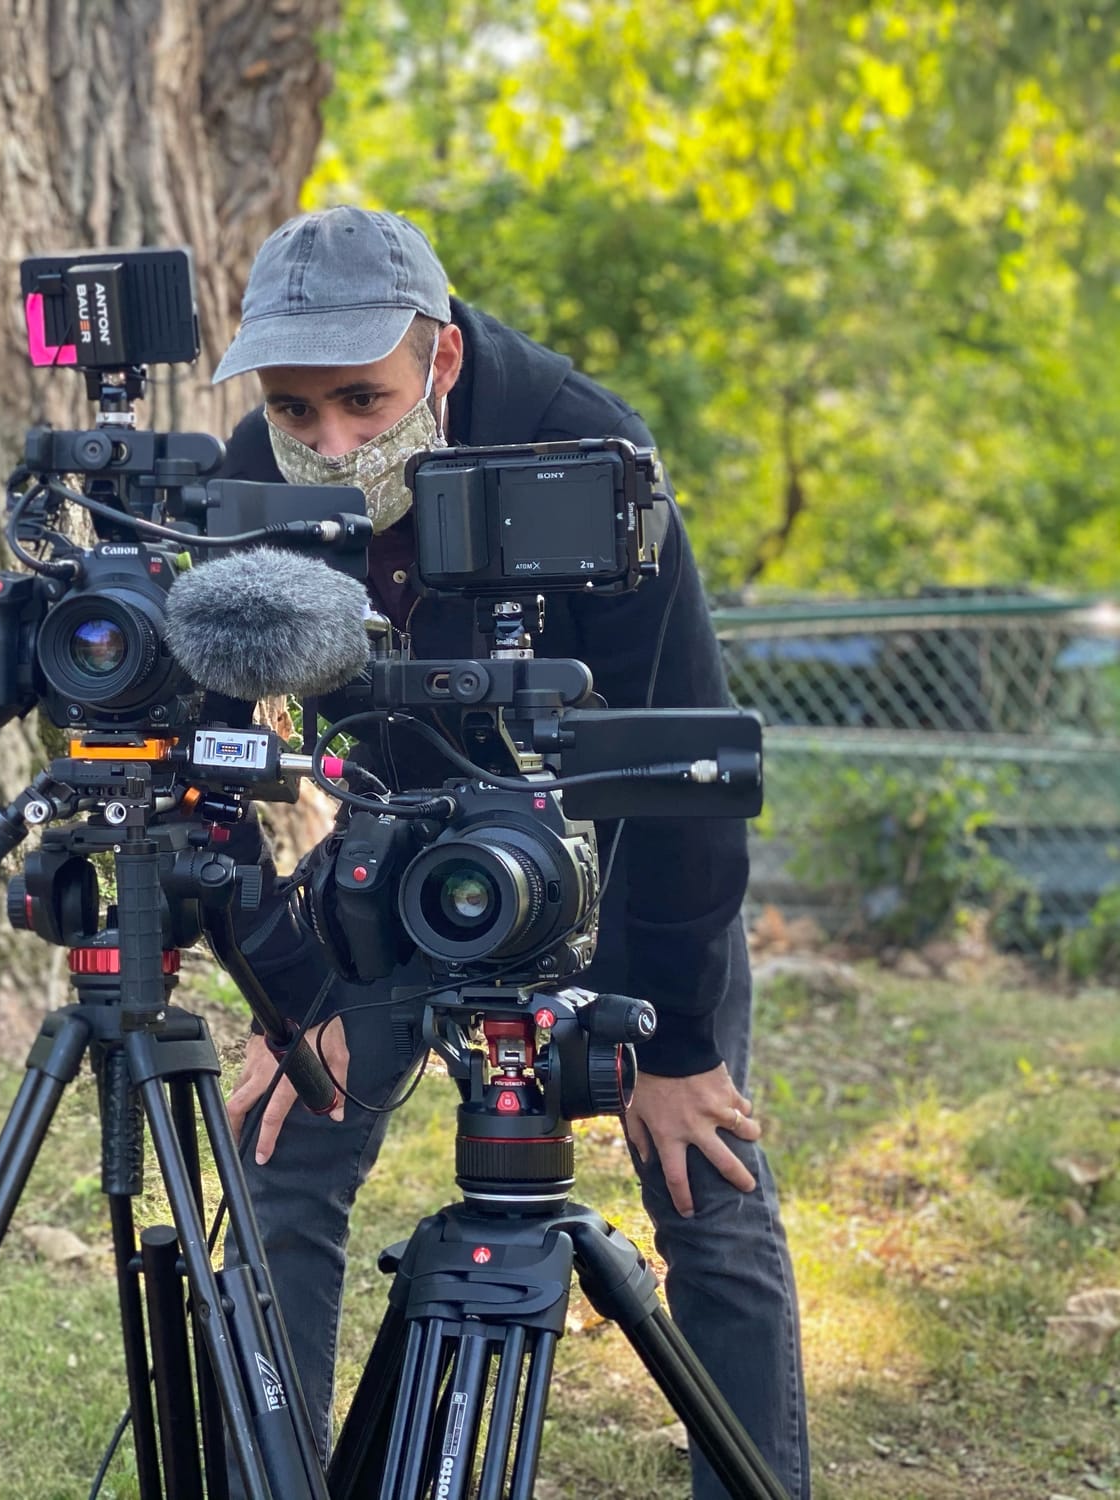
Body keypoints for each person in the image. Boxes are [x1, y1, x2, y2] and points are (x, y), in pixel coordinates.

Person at [213, 207, 811, 1500]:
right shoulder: (251, 475)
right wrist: (288, 988)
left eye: (362, 403)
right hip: (394, 851)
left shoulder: (587, 441)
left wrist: (679, 1047)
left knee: (708, 1185)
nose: (330, 442)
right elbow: (201, 750)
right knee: (273, 1141)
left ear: (439, 360)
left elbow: (683, 765)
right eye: (297, 409)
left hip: (609, 852)